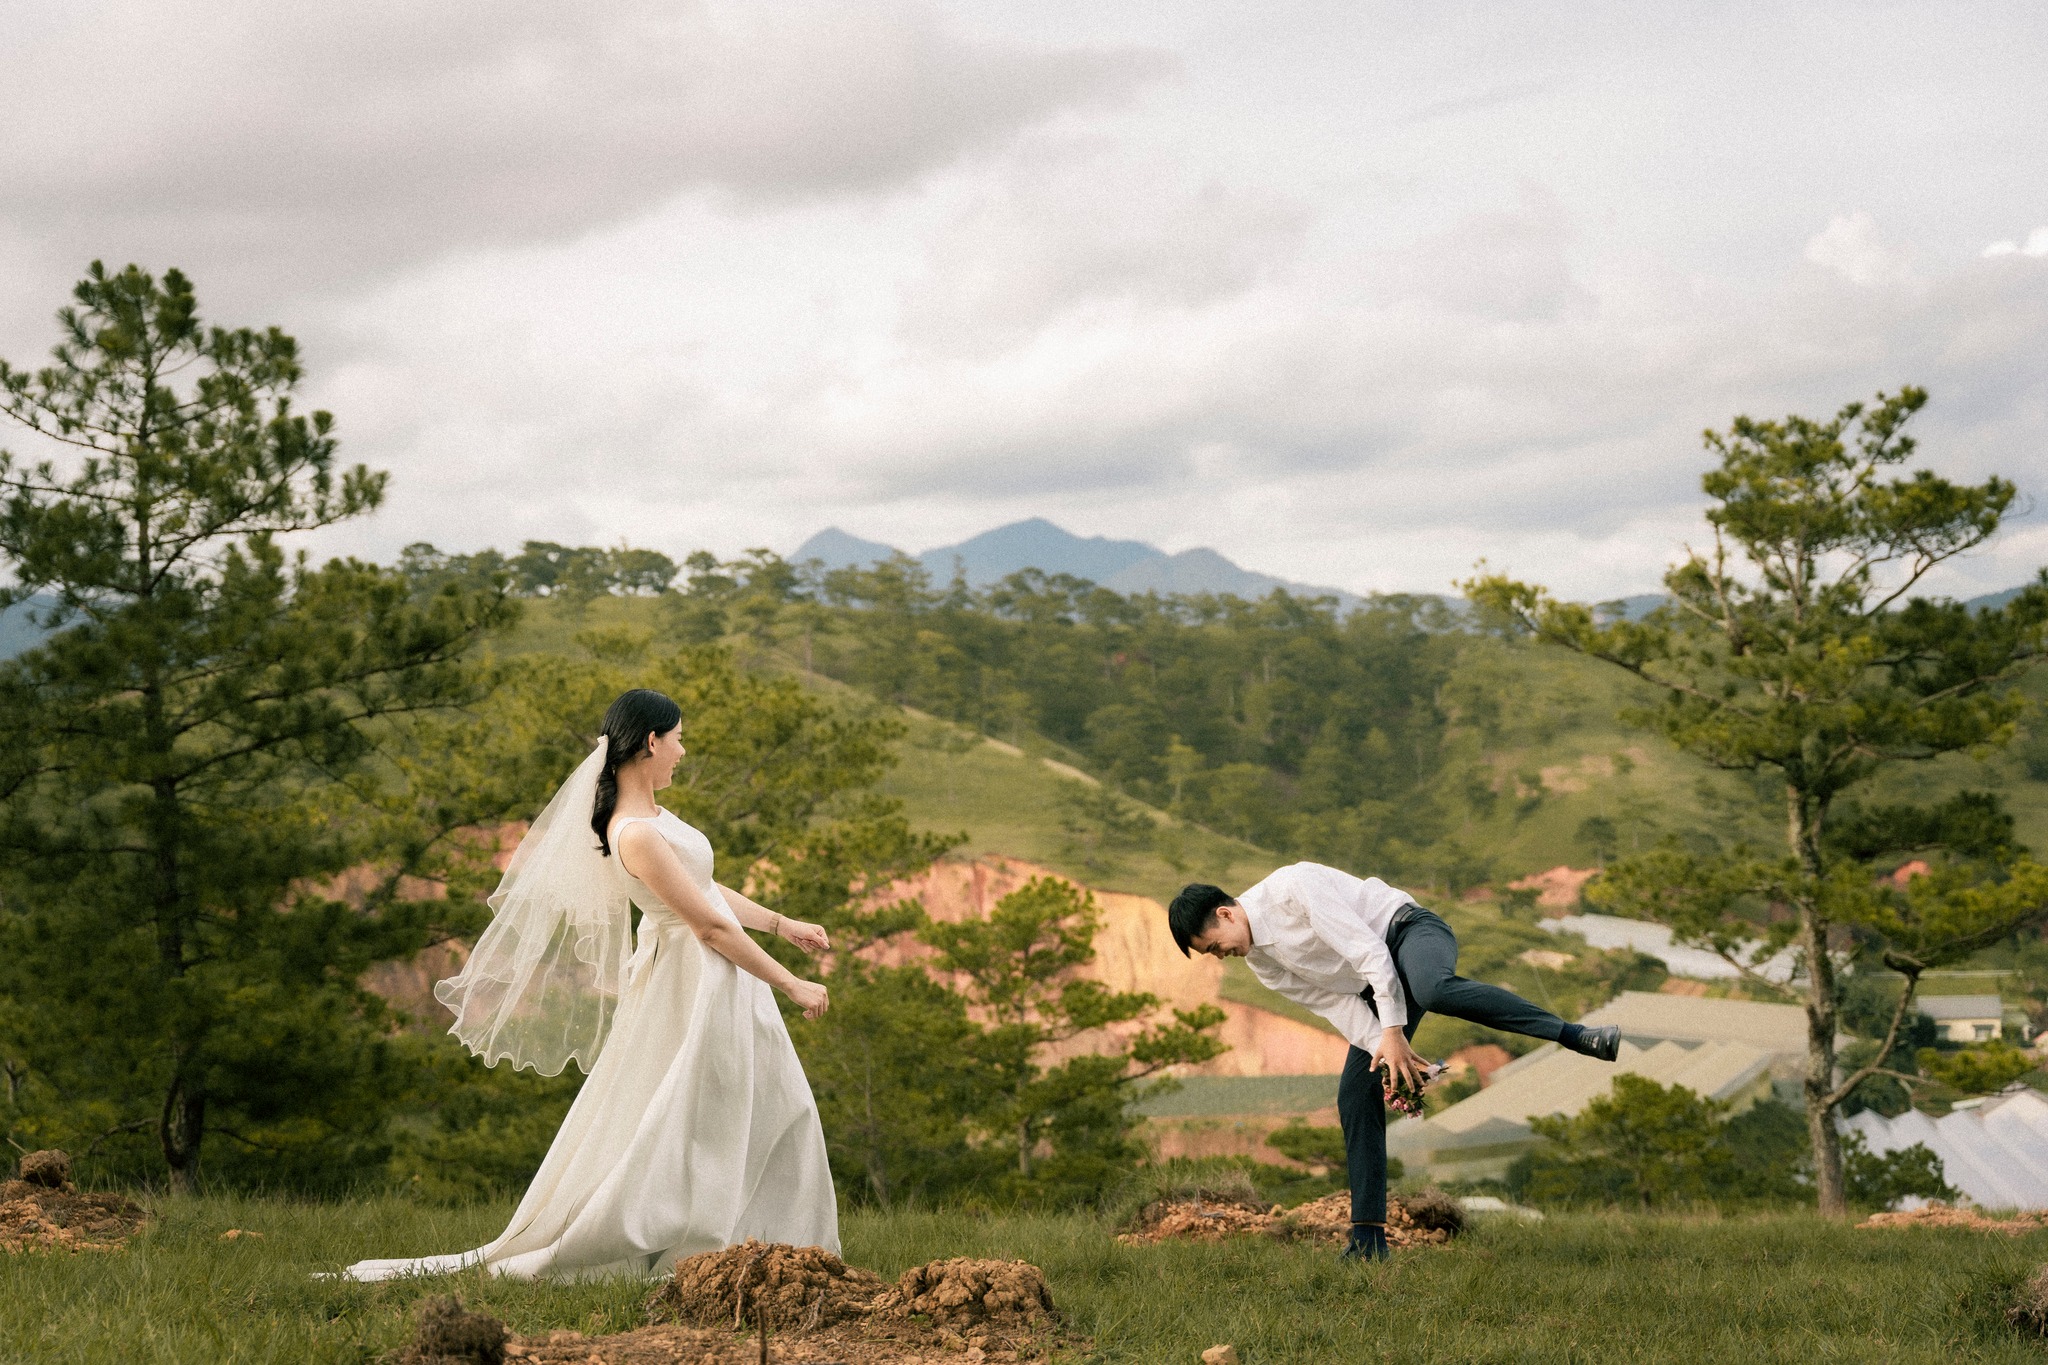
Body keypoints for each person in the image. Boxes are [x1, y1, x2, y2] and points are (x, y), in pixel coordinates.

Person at [343, 689, 839, 1281]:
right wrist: (792, 985)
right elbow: (705, 925)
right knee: (694, 1116)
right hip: (695, 983)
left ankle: (767, 1240)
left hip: (725, 976)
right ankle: (698, 1244)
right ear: (651, 742)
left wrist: (782, 925)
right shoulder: (634, 833)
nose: (683, 751)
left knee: (761, 1107)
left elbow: (704, 890)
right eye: (678, 738)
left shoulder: (655, 820)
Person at [1168, 863, 1620, 1261]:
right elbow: (1335, 1006)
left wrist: (1392, 1029)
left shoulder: (1293, 887)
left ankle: (1576, 1035)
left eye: (1213, 946)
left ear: (1225, 914)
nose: (1220, 956)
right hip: (1375, 987)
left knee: (1434, 990)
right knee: (1355, 1095)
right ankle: (1368, 1241)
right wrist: (1388, 1052)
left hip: (1407, 934)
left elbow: (1369, 950)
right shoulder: (1262, 963)